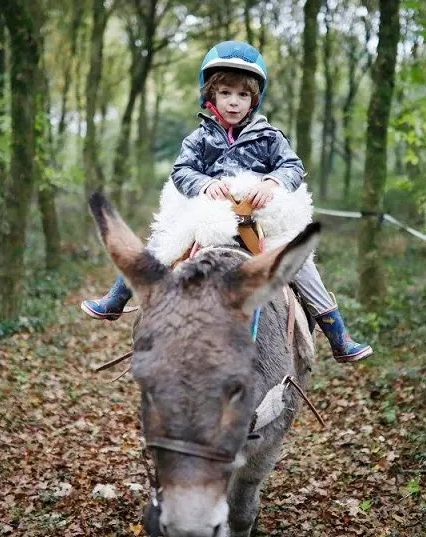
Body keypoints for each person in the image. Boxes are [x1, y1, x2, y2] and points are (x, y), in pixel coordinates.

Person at [81, 40, 372, 363]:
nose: (234, 102)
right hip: (211, 218)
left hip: (260, 219)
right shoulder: (199, 138)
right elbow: (182, 171)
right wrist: (206, 185)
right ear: (212, 96)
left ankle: (338, 337)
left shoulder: (270, 137)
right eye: (226, 93)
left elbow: (292, 167)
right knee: (162, 244)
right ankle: (116, 300)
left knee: (300, 262)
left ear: (254, 100)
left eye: (243, 95)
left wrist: (272, 182)